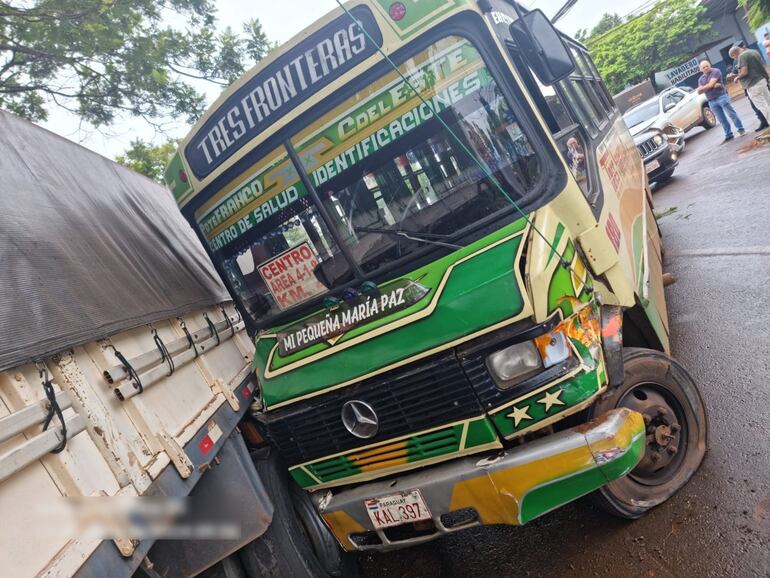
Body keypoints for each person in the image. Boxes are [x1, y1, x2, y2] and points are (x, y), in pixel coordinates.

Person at [697, 60, 745, 142]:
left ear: (710, 65)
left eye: (707, 66)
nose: (705, 68)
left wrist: (706, 87)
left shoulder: (716, 71)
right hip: (711, 101)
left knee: (731, 114)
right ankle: (728, 134)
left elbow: (709, 85)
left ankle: (741, 129)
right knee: (721, 119)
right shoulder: (701, 79)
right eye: (703, 67)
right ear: (701, 69)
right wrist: (709, 86)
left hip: (721, 96)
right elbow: (699, 91)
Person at [727, 46, 769, 132]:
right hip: (762, 80)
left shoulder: (742, 56)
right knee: (768, 102)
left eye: (734, 57)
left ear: (735, 54)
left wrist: (737, 77)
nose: (736, 59)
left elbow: (744, 72)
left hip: (752, 84)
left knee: (762, 106)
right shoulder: (753, 51)